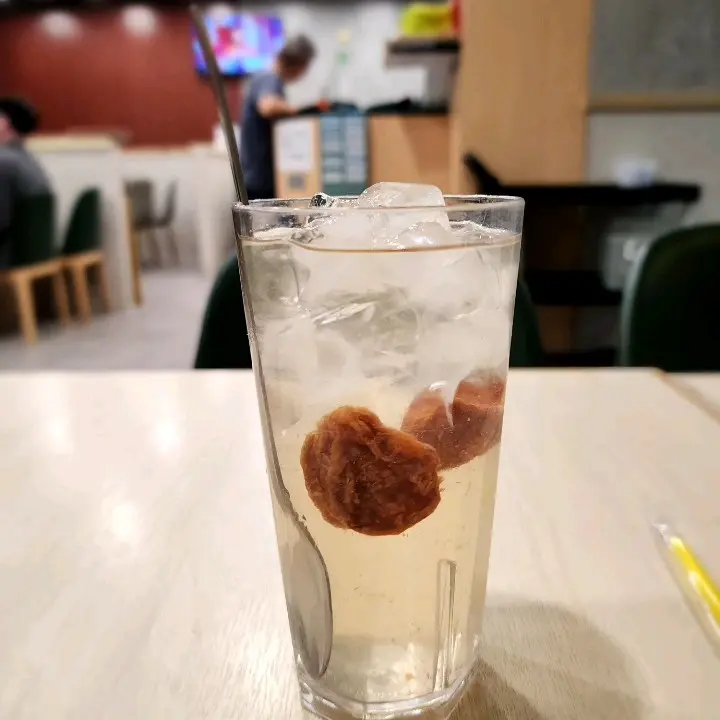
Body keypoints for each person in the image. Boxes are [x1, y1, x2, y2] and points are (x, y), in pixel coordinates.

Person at [240, 35, 316, 201]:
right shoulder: (269, 78)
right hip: (259, 179)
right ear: (299, 65)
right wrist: (296, 111)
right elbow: (267, 106)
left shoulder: (264, 78)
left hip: (257, 176)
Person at [0, 97, 52, 262]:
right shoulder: (28, 160)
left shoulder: (3, 161)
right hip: (33, 255)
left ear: (4, 123)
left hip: (9, 257)